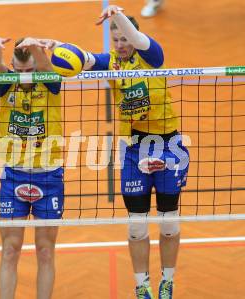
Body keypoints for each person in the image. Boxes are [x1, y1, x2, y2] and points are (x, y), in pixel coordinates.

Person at [42, 5, 189, 299]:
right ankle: (142, 285)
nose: (121, 45)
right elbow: (81, 59)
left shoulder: (152, 55)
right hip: (134, 149)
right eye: (116, 39)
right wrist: (54, 46)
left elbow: (139, 38)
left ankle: (167, 281)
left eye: (125, 39)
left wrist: (118, 15)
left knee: (169, 222)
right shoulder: (109, 62)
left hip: (168, 144)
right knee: (136, 226)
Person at [0, 36, 64, 299]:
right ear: (12, 68)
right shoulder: (7, 85)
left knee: (44, 250)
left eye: (30, 71)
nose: (25, 78)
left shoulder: (50, 83)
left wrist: (36, 48)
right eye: (19, 72)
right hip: (13, 175)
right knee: (10, 249)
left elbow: (46, 66)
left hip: (49, 175)